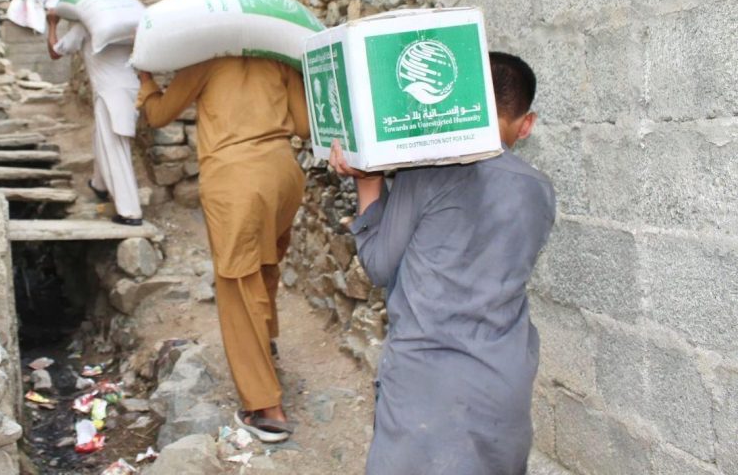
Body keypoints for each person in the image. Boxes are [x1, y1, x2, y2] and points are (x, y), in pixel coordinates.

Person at [329, 51, 556, 475]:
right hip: (503, 383)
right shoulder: (539, 191)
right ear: (526, 125)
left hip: (426, 387)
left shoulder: (426, 174)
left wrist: (369, 181)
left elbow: (379, 265)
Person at [136, 57, 310, 443]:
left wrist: (147, 82)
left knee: (237, 283)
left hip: (235, 182)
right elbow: (303, 126)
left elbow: (160, 114)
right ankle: (265, 343)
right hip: (283, 177)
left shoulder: (205, 62)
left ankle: (266, 408)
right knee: (266, 264)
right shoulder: (278, 62)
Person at [47, 10, 143, 226]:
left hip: (109, 93)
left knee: (115, 146)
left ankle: (130, 211)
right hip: (133, 89)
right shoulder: (126, 29)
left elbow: (55, 52)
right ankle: (99, 184)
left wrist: (52, 24)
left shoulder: (84, 27)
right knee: (101, 137)